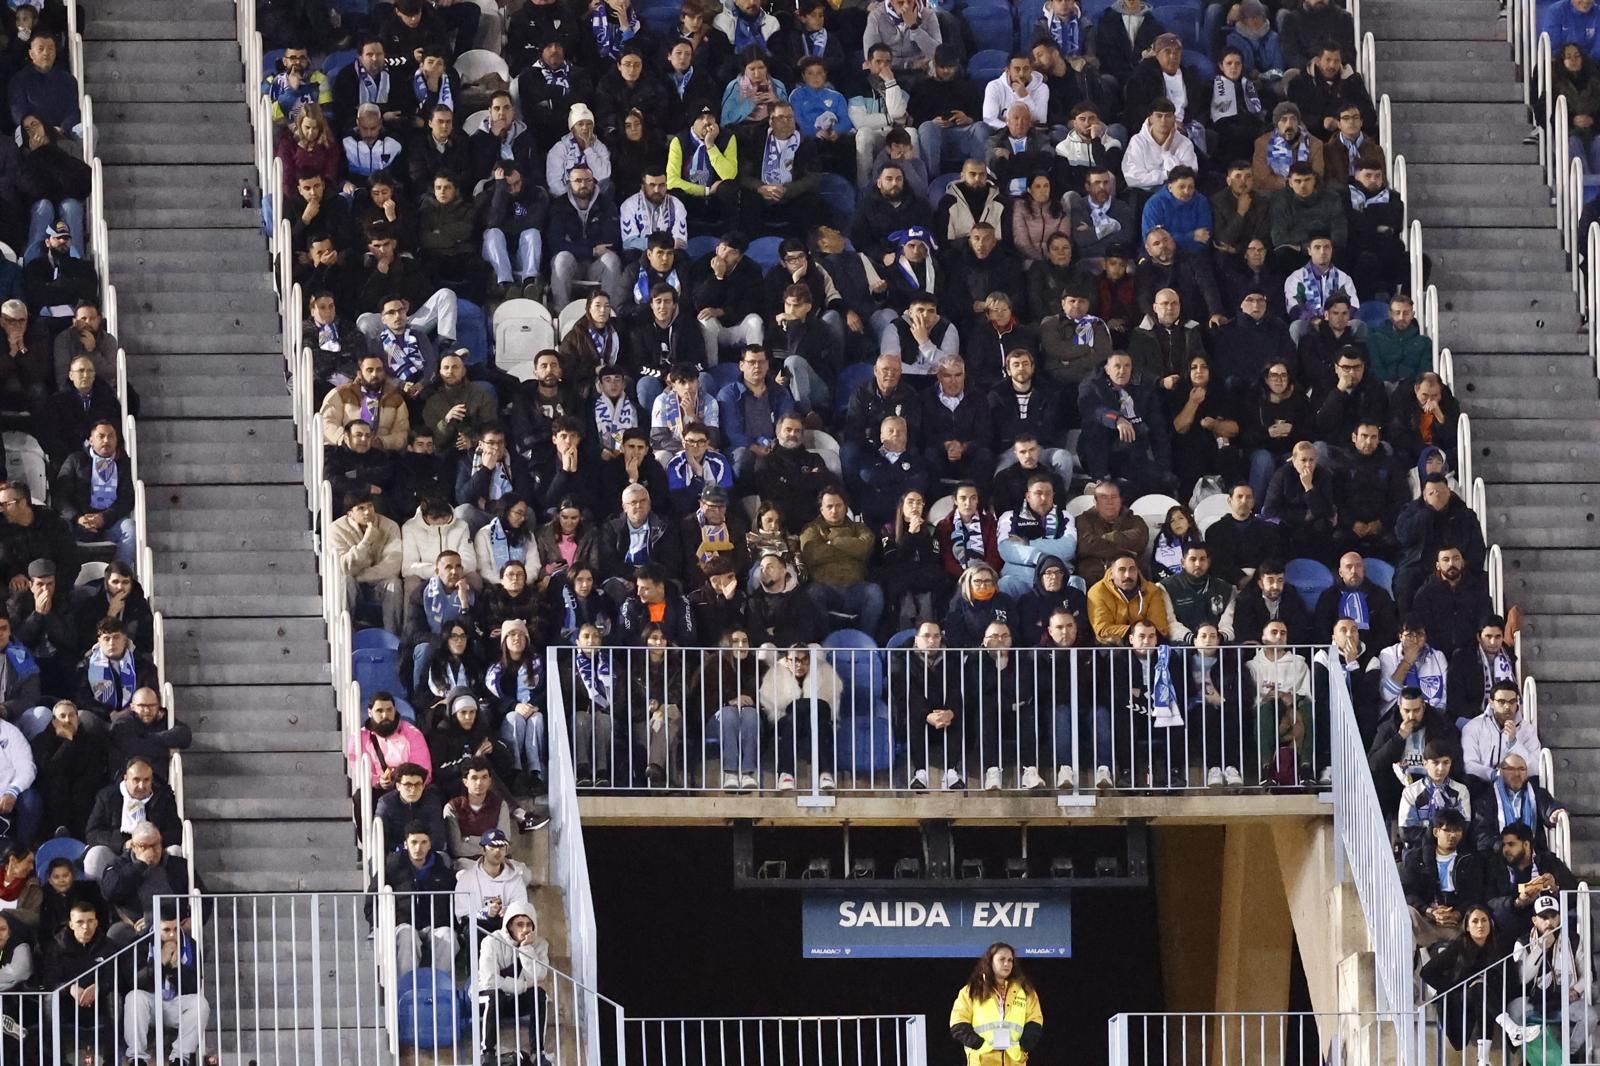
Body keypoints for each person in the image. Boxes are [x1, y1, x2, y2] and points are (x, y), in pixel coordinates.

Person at [1418, 905, 1511, 1054]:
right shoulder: (1458, 947)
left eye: (1484, 920)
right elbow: (1427, 972)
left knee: (1483, 993)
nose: (1480, 925)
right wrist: (1457, 987)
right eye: (1475, 921)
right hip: (1459, 1000)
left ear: (1490, 924)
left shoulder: (1497, 948)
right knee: (1480, 988)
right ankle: (1511, 1028)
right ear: (1467, 927)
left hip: (1486, 999)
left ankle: (1483, 1059)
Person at [123, 916, 209, 1066]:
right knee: (134, 997)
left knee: (200, 1003)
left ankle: (180, 1058)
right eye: (166, 930)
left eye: (175, 929)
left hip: (176, 1004)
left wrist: (176, 969)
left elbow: (195, 987)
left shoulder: (190, 944)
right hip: (150, 1003)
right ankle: (137, 1058)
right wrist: (161, 962)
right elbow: (134, 982)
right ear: (156, 929)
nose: (171, 934)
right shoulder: (140, 944)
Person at [476, 900, 551, 1065]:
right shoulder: (491, 941)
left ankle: (537, 1053)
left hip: (513, 1000)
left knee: (540, 995)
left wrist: (526, 949)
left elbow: (539, 975)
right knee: (493, 996)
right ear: (509, 925)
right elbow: (489, 981)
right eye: (520, 924)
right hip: (484, 1000)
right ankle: (487, 1053)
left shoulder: (539, 945)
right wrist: (523, 986)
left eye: (529, 924)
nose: (525, 929)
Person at [799, 489, 883, 636]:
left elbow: (864, 548)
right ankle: (826, 641)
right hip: (825, 588)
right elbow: (812, 555)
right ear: (821, 509)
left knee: (875, 592)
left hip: (855, 588)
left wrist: (833, 542)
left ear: (845, 507)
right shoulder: (811, 529)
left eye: (838, 505)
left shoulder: (860, 528)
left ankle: (864, 641)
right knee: (812, 593)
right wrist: (850, 546)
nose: (834, 510)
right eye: (829, 507)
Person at [1401, 808, 1488, 947]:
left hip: (1457, 924)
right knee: (1405, 913)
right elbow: (1408, 892)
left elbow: (1475, 894)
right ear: (1436, 832)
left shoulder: (1471, 859)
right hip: (1426, 920)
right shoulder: (1416, 858)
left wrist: (1458, 913)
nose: (1453, 835)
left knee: (1481, 918)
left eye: (1458, 830)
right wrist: (1429, 911)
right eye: (1448, 830)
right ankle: (1408, 964)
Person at [949, 942, 1044, 1065]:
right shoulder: (971, 991)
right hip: (982, 1060)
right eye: (1002, 959)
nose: (1007, 964)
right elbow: (957, 1023)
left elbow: (1035, 1020)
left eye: (1010, 960)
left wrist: (1022, 1047)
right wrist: (979, 1045)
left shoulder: (1025, 991)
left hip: (1014, 1061)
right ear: (990, 961)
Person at [1460, 682, 1543, 788]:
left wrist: (1514, 743)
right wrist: (1494, 774)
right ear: (1491, 703)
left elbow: (1535, 769)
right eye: (1501, 702)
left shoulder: (1528, 730)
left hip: (1516, 785)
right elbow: (1468, 765)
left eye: (1512, 702)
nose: (1507, 706)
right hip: (1484, 785)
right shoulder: (1474, 726)